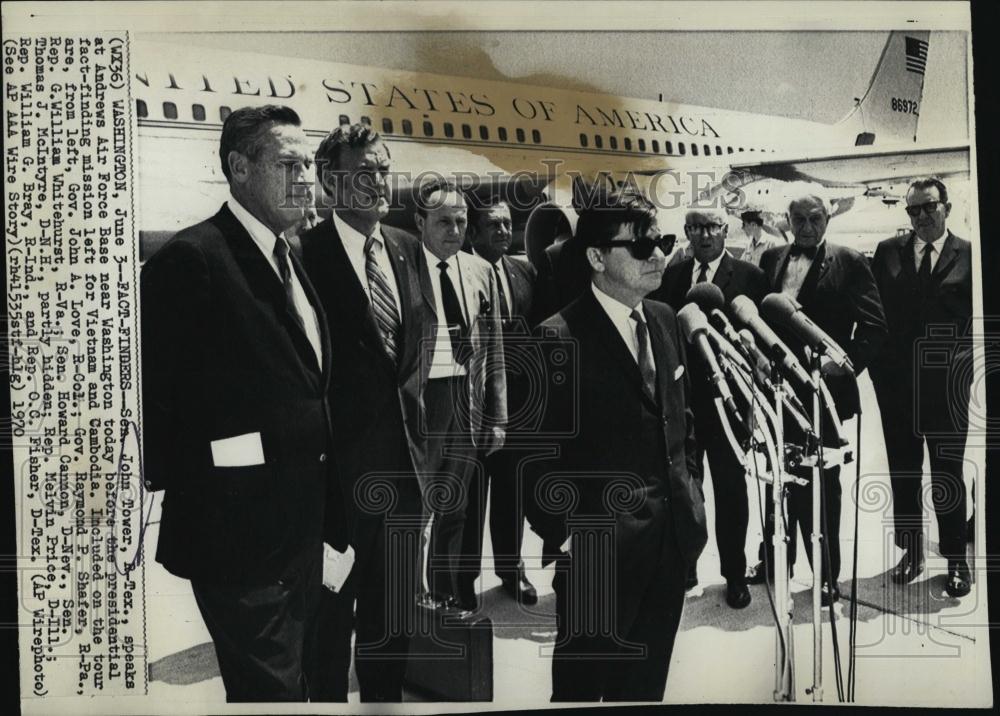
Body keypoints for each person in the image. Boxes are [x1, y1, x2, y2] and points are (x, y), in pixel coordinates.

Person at [141, 105, 339, 702]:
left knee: (298, 689)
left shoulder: (293, 257)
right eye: (288, 163)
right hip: (239, 544)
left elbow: (306, 385)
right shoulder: (193, 258)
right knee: (270, 697)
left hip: (304, 539)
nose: (307, 177)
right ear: (239, 168)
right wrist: (246, 464)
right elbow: (157, 413)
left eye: (309, 164)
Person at [527, 189, 707, 701]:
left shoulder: (667, 320)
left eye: (662, 241)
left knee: (645, 693)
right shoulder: (556, 339)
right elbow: (534, 459)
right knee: (583, 694)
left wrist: (690, 494)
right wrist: (566, 538)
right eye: (642, 245)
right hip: (597, 565)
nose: (657, 254)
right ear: (596, 257)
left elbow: (683, 425)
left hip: (670, 549)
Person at [299, 123, 428, 701]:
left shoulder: (405, 246)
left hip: (404, 474)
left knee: (392, 621)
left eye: (384, 168)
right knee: (329, 627)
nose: (380, 181)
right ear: (330, 181)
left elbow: (416, 354)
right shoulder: (304, 255)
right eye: (365, 171)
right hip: (336, 485)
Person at [747, 194, 886, 605]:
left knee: (822, 487)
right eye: (798, 219)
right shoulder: (771, 258)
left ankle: (826, 575)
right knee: (777, 476)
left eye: (814, 219)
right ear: (786, 220)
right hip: (776, 389)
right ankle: (776, 562)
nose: (806, 227)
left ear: (828, 219)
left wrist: (839, 366)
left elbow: (875, 328)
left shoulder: (850, 261)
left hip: (821, 394)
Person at [649, 206, 767, 609]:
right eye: (695, 228)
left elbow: (758, 346)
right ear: (685, 231)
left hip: (731, 404)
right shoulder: (673, 276)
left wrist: (752, 405)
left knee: (732, 491)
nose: (703, 235)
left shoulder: (750, 277)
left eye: (712, 227)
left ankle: (735, 575)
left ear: (725, 229)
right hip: (684, 406)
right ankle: (687, 569)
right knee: (685, 490)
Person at [869, 177, 972, 598]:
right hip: (897, 388)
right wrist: (877, 369)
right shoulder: (887, 253)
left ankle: (955, 560)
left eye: (929, 207)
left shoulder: (969, 254)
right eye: (914, 211)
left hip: (947, 389)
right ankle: (910, 552)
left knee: (947, 474)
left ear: (946, 206)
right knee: (904, 471)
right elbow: (872, 311)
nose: (922, 217)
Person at [413, 179, 507, 611]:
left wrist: (498, 416)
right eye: (444, 221)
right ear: (420, 223)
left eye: (461, 222)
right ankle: (408, 601)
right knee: (416, 514)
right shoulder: (405, 268)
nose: (454, 231)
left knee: (456, 511)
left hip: (466, 402)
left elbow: (495, 350)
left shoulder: (480, 271)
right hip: (423, 402)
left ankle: (446, 599)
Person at [458, 193, 540, 607]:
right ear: (473, 231)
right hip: (472, 408)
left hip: (517, 408)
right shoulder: (458, 273)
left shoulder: (524, 272)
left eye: (508, 223)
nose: (505, 231)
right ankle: (464, 580)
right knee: (471, 499)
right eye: (494, 225)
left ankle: (512, 570)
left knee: (512, 493)